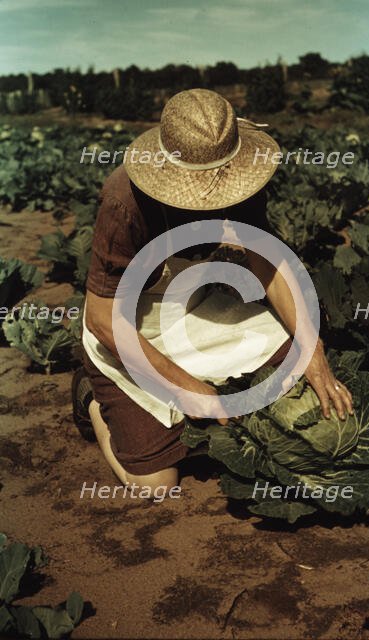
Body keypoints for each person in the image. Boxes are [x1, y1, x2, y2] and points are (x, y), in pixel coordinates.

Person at [72, 88, 353, 496]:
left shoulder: (243, 181)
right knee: (155, 487)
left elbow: (267, 262)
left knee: (301, 369)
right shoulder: (124, 202)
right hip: (129, 328)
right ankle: (95, 401)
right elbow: (101, 319)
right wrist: (190, 388)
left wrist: (313, 347)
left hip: (195, 308)